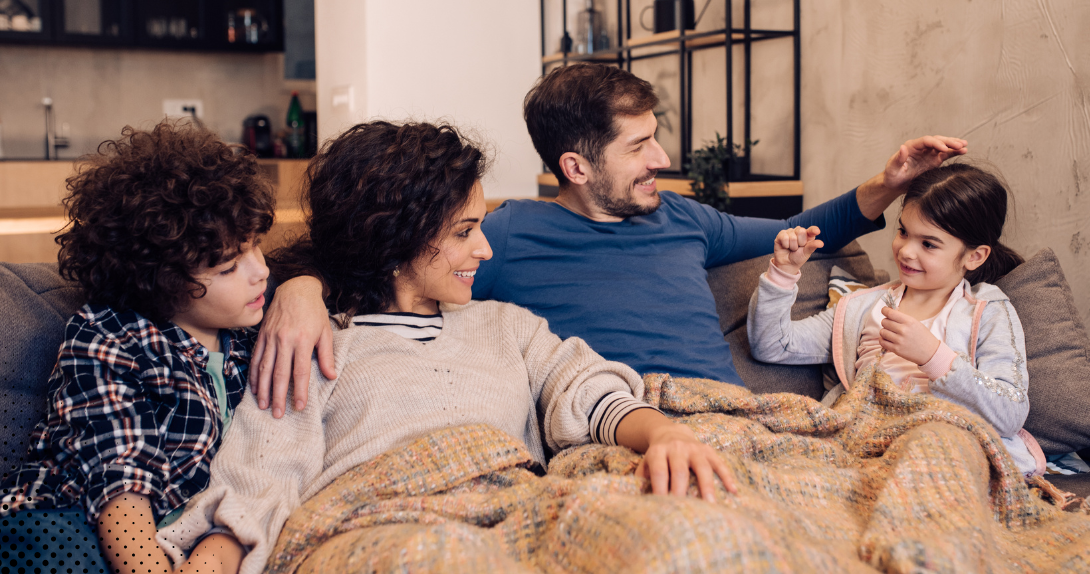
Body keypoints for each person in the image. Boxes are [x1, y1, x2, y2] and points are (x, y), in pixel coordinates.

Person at [159, 121, 736, 574]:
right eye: (463, 232)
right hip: (374, 527)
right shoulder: (313, 342)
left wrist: (666, 433)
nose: (485, 251)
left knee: (682, 536)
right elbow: (257, 479)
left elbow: (583, 388)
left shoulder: (506, 326)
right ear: (395, 239)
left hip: (520, 508)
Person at [250, 63, 969, 416]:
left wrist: (887, 179)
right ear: (577, 166)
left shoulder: (684, 217)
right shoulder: (501, 237)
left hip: (740, 417)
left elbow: (800, 233)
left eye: (657, 139)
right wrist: (300, 289)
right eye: (641, 147)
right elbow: (380, 251)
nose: (662, 160)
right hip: (618, 424)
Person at [0, 122, 275, 574]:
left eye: (256, 247)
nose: (259, 271)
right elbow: (120, 482)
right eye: (228, 267)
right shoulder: (109, 337)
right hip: (80, 522)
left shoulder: (246, 332)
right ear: (162, 282)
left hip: (182, 533)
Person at [746, 163, 1045, 475]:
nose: (906, 251)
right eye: (903, 232)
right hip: (862, 444)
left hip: (941, 451)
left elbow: (1010, 412)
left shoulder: (987, 311)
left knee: (933, 447)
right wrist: (783, 272)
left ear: (974, 256)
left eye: (928, 244)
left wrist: (933, 356)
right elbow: (772, 345)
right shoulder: (863, 308)